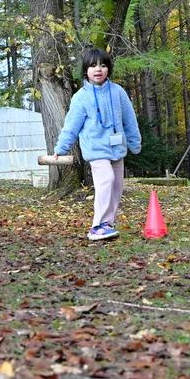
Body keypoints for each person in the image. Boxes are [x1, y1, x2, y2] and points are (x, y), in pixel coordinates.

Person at [54, 48, 142, 241]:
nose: (98, 69)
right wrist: (61, 148)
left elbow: (129, 120)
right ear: (86, 70)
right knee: (106, 180)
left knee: (117, 186)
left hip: (117, 148)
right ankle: (97, 226)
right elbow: (71, 126)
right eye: (93, 65)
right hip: (96, 149)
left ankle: (107, 225)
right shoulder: (81, 97)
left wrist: (135, 142)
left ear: (108, 69)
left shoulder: (118, 92)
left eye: (103, 65)